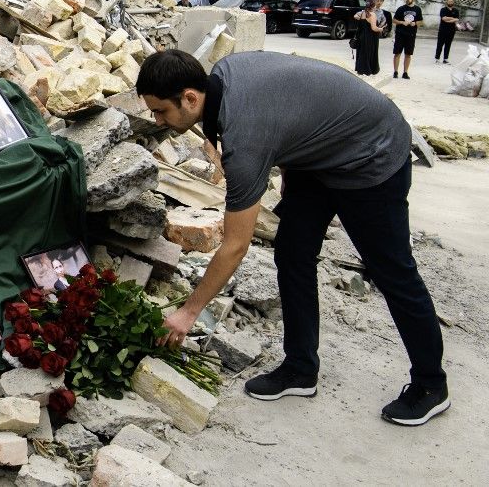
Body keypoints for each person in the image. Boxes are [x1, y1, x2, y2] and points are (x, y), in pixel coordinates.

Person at [137, 49, 448, 426]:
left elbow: (235, 246)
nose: (157, 121)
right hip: (319, 158)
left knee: (392, 271)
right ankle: (301, 368)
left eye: (161, 111)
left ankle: (432, 386)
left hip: (372, 155)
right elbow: (292, 103)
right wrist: (289, 160)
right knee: (293, 253)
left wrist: (188, 312)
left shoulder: (245, 139)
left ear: (189, 97)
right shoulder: (223, 76)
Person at [392, 0, 423, 79]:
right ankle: (395, 71)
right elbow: (394, 20)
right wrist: (402, 22)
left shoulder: (417, 9)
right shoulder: (401, 8)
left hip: (411, 35)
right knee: (397, 53)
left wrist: (415, 23)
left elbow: (420, 21)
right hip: (400, 34)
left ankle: (405, 72)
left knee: (408, 54)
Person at [352, 0, 382, 76]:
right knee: (369, 53)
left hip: (361, 37)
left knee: (362, 53)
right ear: (373, 5)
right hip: (370, 38)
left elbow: (355, 16)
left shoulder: (363, 13)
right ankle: (368, 70)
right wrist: (380, 29)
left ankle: (360, 69)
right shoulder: (372, 14)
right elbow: (374, 28)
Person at [435, 0, 460, 64]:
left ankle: (445, 59)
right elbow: (443, 19)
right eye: (449, 1)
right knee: (440, 44)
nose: (450, 2)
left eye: (452, 1)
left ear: (453, 2)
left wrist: (448, 19)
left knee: (448, 45)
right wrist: (452, 18)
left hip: (451, 31)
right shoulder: (443, 10)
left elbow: (457, 19)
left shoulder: (456, 10)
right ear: (447, 2)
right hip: (443, 30)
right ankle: (437, 59)